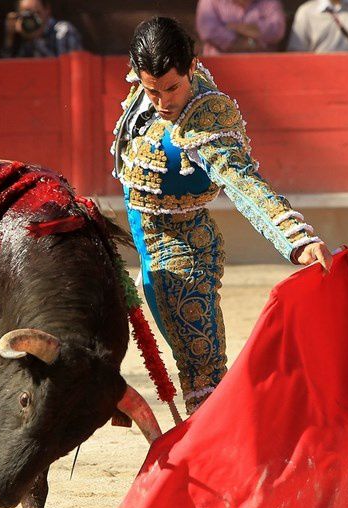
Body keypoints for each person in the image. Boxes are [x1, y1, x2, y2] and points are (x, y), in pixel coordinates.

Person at [111, 16, 331, 414]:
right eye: (151, 90)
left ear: (192, 68)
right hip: (147, 250)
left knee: (203, 379)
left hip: (183, 256)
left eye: (172, 88)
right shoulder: (155, 86)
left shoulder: (207, 118)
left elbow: (242, 182)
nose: (162, 102)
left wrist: (295, 237)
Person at [195, 0, 287, 55]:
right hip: (219, 68)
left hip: (262, 67)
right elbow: (209, 32)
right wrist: (251, 40)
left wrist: (236, 27)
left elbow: (277, 31)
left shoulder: (270, 2)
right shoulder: (210, 1)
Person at [2, 0, 82, 58]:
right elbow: (8, 73)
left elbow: (65, 69)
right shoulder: (23, 36)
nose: (32, 20)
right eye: (26, 15)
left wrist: (35, 39)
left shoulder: (63, 32)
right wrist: (10, 39)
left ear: (47, 9)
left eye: (36, 13)